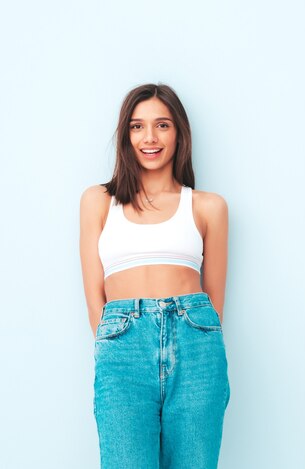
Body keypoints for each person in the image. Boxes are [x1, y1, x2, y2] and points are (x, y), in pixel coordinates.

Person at [79, 83, 230, 469]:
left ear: (179, 134)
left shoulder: (208, 207)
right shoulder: (98, 201)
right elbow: (95, 293)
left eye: (162, 125)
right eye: (137, 126)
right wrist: (111, 343)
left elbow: (213, 302)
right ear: (126, 136)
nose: (149, 137)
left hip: (195, 347)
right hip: (122, 347)